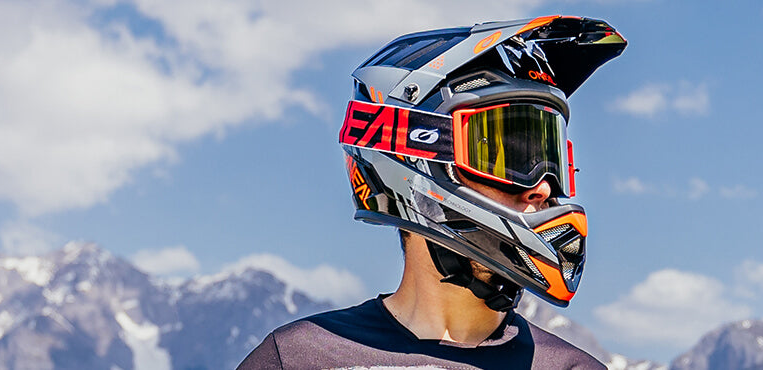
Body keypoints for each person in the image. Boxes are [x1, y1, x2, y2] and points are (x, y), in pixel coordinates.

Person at [239, 15, 626, 369]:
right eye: (506, 157)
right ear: (415, 153)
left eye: (550, 159)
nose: (543, 186)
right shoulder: (298, 359)